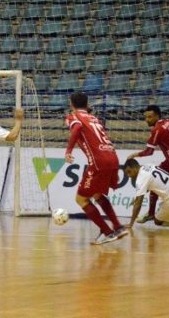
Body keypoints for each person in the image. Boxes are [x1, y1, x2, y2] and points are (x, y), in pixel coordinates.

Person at [65, 92, 127, 245]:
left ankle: (107, 232)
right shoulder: (94, 118)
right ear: (87, 104)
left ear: (71, 104)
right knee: (97, 194)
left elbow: (78, 128)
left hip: (99, 161)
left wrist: (68, 151)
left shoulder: (73, 117)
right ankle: (118, 227)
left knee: (81, 199)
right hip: (113, 158)